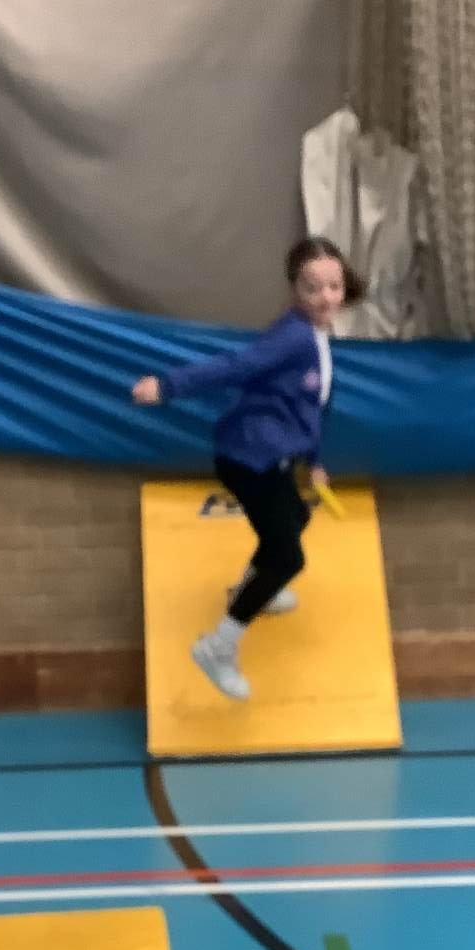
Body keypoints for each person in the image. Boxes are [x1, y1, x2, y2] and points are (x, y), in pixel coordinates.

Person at [132, 236, 363, 700]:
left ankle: (254, 587)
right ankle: (217, 648)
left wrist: (315, 462)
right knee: (289, 557)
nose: (326, 298)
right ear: (295, 289)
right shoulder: (293, 337)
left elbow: (314, 406)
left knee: (294, 518)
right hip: (248, 459)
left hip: (272, 456)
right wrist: (169, 386)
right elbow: (235, 366)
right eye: (313, 288)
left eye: (334, 286)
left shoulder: (316, 335)